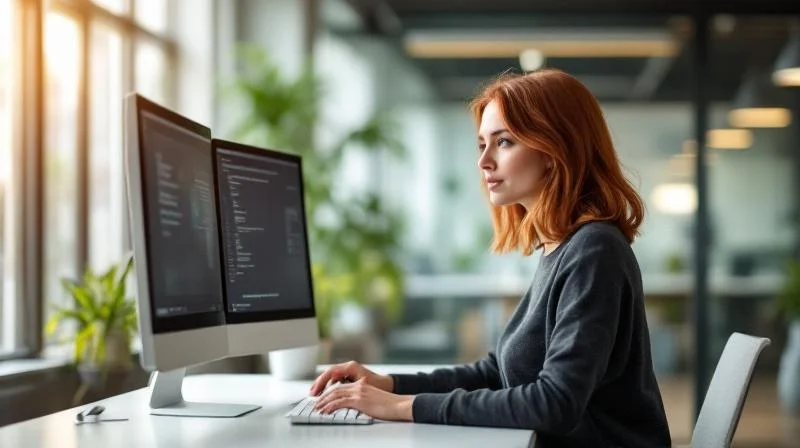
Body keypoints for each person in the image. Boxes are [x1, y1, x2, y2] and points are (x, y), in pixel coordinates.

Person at [309, 68, 672, 447]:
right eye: (482, 144)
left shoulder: (594, 250)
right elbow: (496, 371)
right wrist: (391, 385)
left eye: (503, 142)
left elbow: (555, 403)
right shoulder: (560, 247)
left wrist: (403, 406)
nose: (484, 161)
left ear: (554, 150)